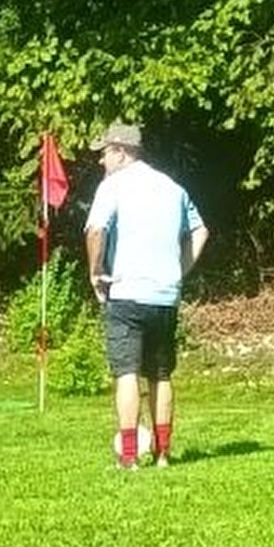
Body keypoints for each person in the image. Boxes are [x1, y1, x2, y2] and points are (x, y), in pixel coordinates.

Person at [84, 123, 208, 469]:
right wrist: (178, 270)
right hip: (165, 296)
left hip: (126, 292)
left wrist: (96, 271)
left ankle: (128, 457)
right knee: (160, 374)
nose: (101, 161)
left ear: (121, 152)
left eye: (104, 153)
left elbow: (96, 230)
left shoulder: (113, 186)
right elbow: (201, 231)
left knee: (126, 372)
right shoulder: (173, 188)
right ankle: (163, 454)